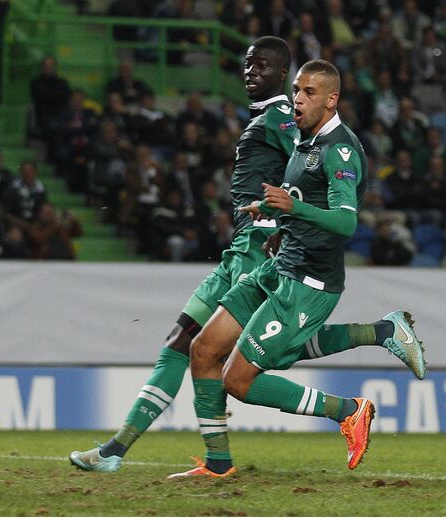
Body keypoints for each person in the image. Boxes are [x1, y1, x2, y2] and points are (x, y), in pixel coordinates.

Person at [69, 38, 424, 474]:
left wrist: (284, 217)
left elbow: (340, 210)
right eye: (247, 64)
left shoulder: (300, 129)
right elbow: (294, 184)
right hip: (259, 253)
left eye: (263, 66)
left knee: (244, 364)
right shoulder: (297, 133)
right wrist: (272, 210)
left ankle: (350, 400)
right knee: (198, 349)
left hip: (268, 258)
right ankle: (198, 459)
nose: (250, 71)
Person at [170, 59, 427, 478]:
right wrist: (278, 218)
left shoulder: (339, 149)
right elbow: (301, 199)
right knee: (203, 349)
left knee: (239, 380)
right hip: (280, 264)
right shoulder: (304, 143)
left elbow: (346, 220)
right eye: (295, 90)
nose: (297, 99)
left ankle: (348, 411)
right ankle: (218, 462)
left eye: (308, 93)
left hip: (309, 282)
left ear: (331, 99)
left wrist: (294, 207)